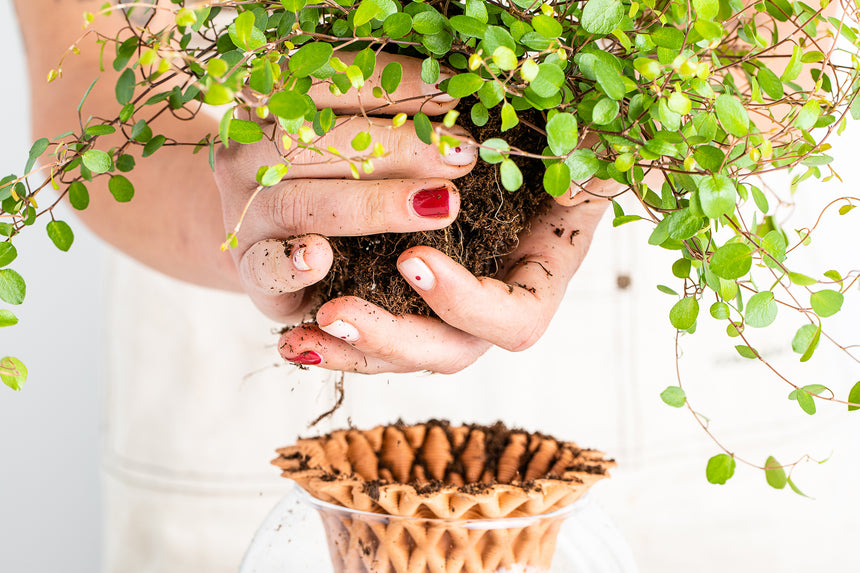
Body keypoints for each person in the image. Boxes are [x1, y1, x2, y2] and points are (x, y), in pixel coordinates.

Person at [10, 1, 860, 572]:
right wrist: (258, 210)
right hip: (269, 453)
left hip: (725, 412)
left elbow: (810, 38)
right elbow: (84, 76)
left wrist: (602, 161)